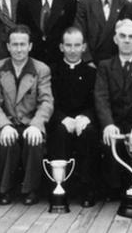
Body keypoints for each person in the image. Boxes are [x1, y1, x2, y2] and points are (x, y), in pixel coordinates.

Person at [0, 25, 54, 205]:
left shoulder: (41, 69)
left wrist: (37, 124)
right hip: (8, 121)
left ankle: (30, 190)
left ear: (30, 46)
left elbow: (46, 101)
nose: (18, 49)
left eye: (23, 44)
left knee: (34, 140)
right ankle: (5, 190)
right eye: (14, 44)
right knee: (7, 140)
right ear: (8, 46)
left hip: (30, 122)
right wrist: (4, 125)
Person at [94, 19, 132, 198]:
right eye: (122, 36)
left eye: (131, 37)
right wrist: (107, 123)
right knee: (107, 143)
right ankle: (114, 191)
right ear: (115, 39)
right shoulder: (105, 66)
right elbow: (101, 97)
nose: (127, 40)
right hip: (113, 122)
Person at [47, 27, 99, 207]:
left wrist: (85, 117)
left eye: (77, 45)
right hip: (60, 119)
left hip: (84, 119)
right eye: (68, 45)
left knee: (89, 133)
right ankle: (61, 187)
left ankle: (87, 188)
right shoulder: (52, 71)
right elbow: (48, 101)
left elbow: (96, 102)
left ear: (84, 47)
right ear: (61, 47)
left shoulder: (92, 73)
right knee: (59, 132)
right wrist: (63, 118)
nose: (72, 49)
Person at [16, 0, 77, 66]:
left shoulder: (70, 2)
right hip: (33, 58)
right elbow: (22, 31)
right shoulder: (25, 4)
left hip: (60, 59)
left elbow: (71, 30)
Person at [74, 0, 126, 64]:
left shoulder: (125, 4)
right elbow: (79, 32)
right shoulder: (85, 3)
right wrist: (87, 60)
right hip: (91, 63)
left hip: (116, 63)